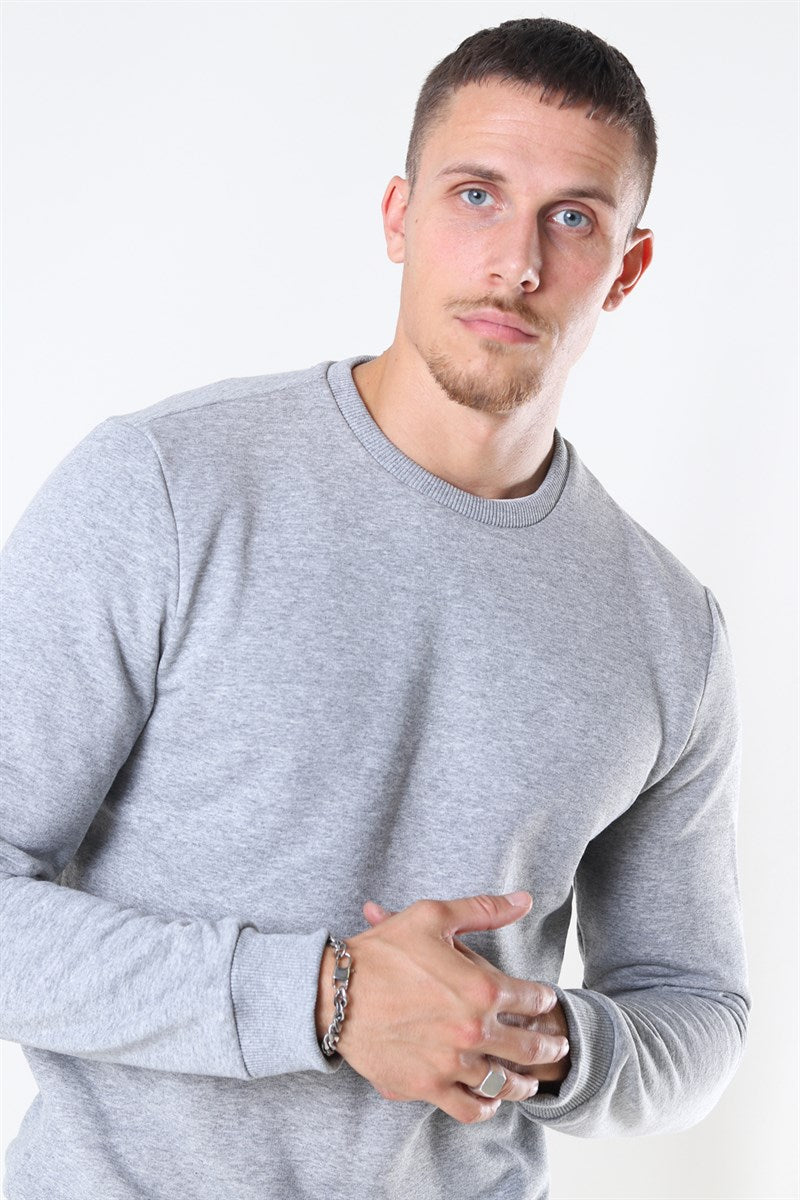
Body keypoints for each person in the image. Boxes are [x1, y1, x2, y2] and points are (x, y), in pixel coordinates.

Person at [0, 16, 750, 1200]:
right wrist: (325, 998)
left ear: (628, 266)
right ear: (397, 216)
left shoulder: (668, 630)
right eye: (473, 195)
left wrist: (534, 1037)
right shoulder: (164, 487)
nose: (515, 262)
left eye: (571, 218)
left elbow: (694, 1007)